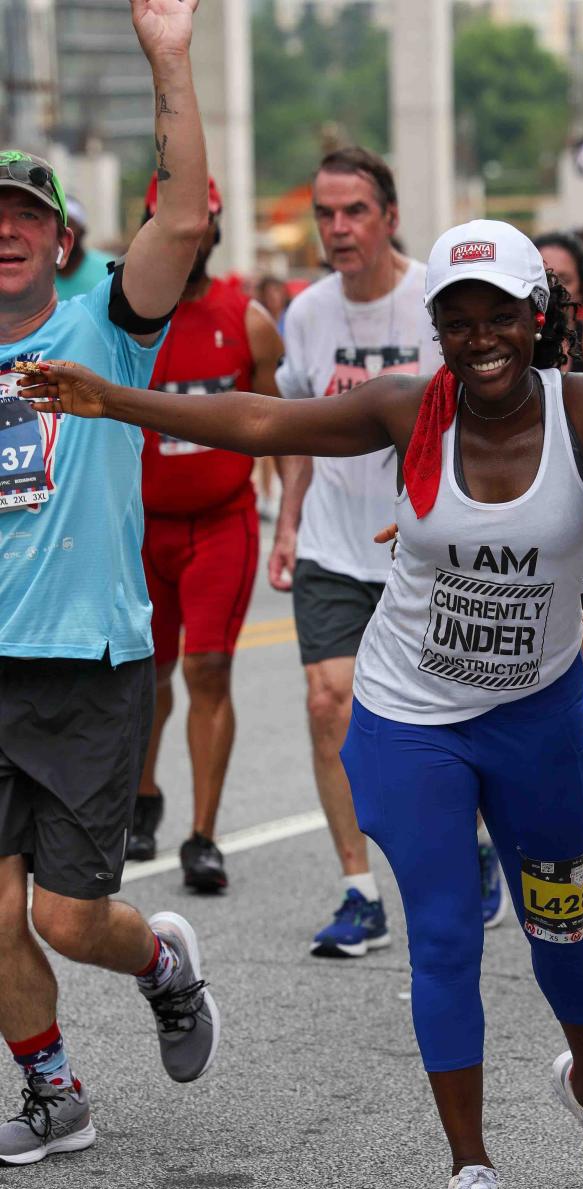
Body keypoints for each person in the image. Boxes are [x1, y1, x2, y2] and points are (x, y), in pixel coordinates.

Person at [18, 218, 583, 1189]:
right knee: (441, 937)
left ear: (540, 320)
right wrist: (113, 398)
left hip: (537, 721)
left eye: (500, 317)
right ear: (435, 330)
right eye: (457, 320)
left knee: (566, 928)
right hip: (412, 721)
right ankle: (470, 1172)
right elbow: (266, 421)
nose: (480, 337)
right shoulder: (411, 407)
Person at [0, 0, 219, 1168]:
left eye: (24, 215)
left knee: (71, 919)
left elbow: (182, 214)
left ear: (59, 234)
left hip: (88, 668)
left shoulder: (106, 328)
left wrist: (167, 58)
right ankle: (56, 1094)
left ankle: (162, 964)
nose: (4, 232)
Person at [269, 148, 511, 950]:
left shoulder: (432, 305)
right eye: (325, 214)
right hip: (335, 548)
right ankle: (358, 891)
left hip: (431, 551)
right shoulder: (305, 315)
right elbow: (295, 433)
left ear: (390, 216)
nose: (338, 229)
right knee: (326, 701)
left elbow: (479, 418)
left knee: (449, 718)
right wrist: (287, 521)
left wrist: (448, 513)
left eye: (355, 212)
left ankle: (472, 843)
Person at [125, 175, 286, 891]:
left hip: (221, 524)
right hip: (141, 529)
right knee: (145, 675)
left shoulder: (246, 320)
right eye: (169, 223)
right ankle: (142, 797)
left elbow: (275, 422)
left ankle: (203, 834)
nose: (187, 237)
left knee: (209, 670)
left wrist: (290, 517)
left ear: (214, 229)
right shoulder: (118, 317)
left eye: (197, 225)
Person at [535, 229, 583, 709]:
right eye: (541, 275)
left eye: (564, 278)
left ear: (582, 290)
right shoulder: (505, 355)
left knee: (574, 674)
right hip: (523, 530)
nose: (553, 286)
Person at [53, 196, 114, 301]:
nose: (61, 231)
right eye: (56, 224)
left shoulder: (110, 270)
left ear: (83, 232)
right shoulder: (36, 274)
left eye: (68, 223)